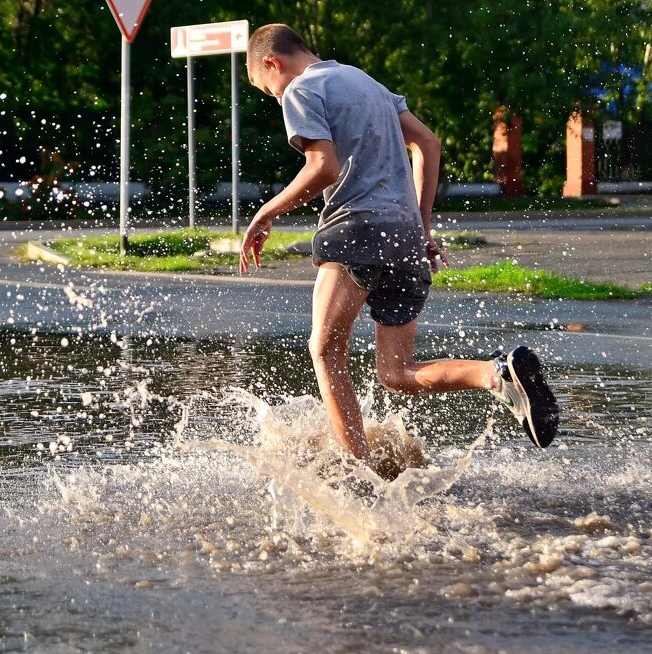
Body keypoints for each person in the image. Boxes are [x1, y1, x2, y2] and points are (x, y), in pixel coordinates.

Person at [239, 24, 559, 477]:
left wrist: (264, 213)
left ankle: (358, 474)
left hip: (355, 229)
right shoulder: (365, 81)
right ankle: (495, 374)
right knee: (396, 372)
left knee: (325, 351)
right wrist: (421, 223)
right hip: (405, 238)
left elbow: (323, 167)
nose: (274, 98)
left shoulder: (300, 89)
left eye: (266, 89)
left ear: (272, 63)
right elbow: (428, 143)